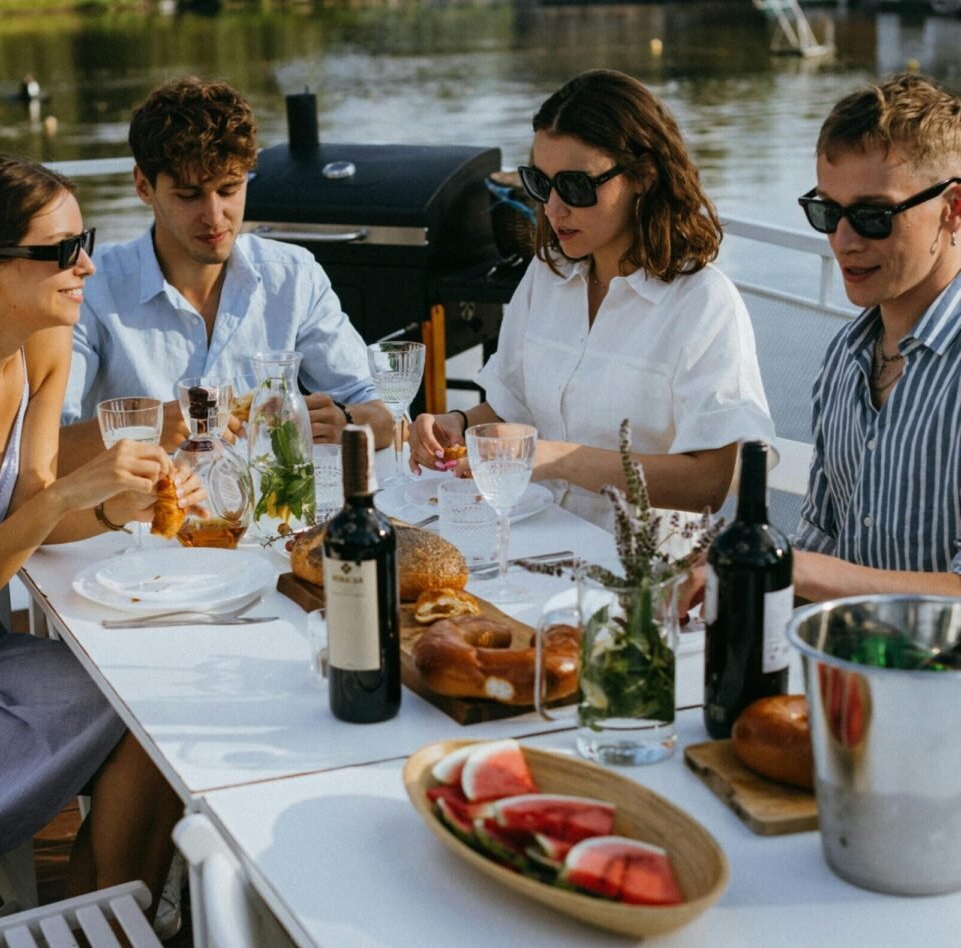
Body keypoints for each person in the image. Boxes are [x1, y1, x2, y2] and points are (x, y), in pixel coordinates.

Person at [0, 154, 193, 911]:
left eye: (88, 241)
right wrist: (58, 506)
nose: (85, 267)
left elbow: (36, 496)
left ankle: (105, 920)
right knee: (139, 712)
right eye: (59, 253)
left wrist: (121, 506)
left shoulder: (40, 345)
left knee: (160, 693)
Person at [409, 70, 774, 531]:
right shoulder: (547, 275)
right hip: (530, 540)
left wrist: (556, 459)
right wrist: (460, 424)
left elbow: (707, 485)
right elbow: (511, 409)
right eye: (540, 184)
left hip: (641, 577)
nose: (553, 208)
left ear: (643, 175)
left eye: (577, 187)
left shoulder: (702, 304)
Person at [59, 76, 393, 472]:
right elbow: (44, 447)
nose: (215, 217)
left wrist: (348, 421)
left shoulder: (294, 276)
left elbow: (382, 409)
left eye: (229, 189)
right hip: (142, 523)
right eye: (189, 195)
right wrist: (148, 427)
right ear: (143, 186)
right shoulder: (90, 288)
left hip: (270, 520)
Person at [788, 73, 961, 601]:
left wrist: (804, 572)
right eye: (827, 212)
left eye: (872, 216)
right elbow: (822, 535)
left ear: (952, 209)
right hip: (843, 666)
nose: (842, 241)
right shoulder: (845, 355)